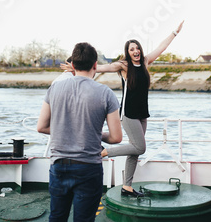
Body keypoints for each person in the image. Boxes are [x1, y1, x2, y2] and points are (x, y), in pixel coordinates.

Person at [65, 21, 184, 197]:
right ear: (127, 52)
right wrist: (78, 69)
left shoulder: (145, 62)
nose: (135, 51)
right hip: (128, 114)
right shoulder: (124, 66)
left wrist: (175, 32)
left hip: (143, 113)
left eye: (137, 48)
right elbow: (103, 68)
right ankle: (104, 151)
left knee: (134, 151)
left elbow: (161, 47)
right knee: (140, 148)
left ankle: (126, 187)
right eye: (131, 49)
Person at [37, 42, 122, 222]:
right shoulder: (106, 93)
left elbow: (41, 127)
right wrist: (90, 132)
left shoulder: (54, 89)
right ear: (95, 66)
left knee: (57, 217)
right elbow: (116, 137)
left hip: (59, 165)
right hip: (89, 168)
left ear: (72, 66)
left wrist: (67, 129)